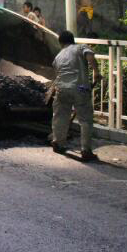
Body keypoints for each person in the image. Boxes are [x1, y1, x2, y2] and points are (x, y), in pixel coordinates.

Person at [50, 29, 100, 161]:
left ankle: (57, 142)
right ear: (73, 40)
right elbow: (90, 55)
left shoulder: (58, 56)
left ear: (61, 43)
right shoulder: (80, 47)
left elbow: (57, 74)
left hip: (61, 89)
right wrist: (96, 72)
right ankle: (86, 150)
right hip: (80, 88)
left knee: (60, 116)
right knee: (85, 120)